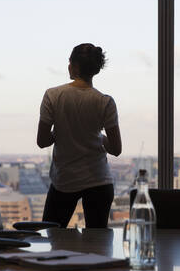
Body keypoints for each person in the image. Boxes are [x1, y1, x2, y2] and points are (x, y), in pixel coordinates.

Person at [37, 43, 122, 228]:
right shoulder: (105, 102)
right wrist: (96, 136)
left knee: (52, 238)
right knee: (97, 246)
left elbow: (42, 141)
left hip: (64, 180)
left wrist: (60, 132)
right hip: (99, 181)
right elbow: (116, 149)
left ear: (74, 66)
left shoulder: (53, 95)